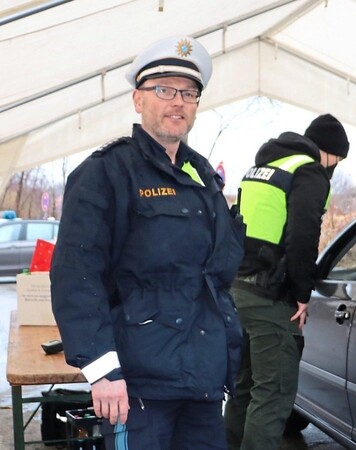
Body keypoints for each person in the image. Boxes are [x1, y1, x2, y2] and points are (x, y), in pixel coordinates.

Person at [50, 35, 245, 450]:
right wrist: (102, 372)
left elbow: (216, 278)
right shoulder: (105, 173)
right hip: (138, 387)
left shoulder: (204, 179)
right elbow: (76, 275)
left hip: (202, 381)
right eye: (164, 90)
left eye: (189, 93)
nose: (178, 101)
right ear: (139, 100)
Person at [223, 114, 350, 450]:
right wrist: (302, 294)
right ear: (326, 152)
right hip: (271, 297)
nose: (333, 167)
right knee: (272, 396)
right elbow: (302, 237)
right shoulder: (308, 170)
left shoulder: (263, 168)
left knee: (242, 392)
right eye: (336, 160)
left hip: (239, 290)